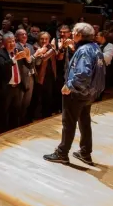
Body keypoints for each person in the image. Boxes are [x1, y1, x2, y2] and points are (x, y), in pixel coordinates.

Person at [44, 23, 106, 165]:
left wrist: (69, 86)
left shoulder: (84, 50)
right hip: (89, 93)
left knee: (69, 122)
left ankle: (62, 153)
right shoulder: (95, 48)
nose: (71, 34)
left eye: (74, 32)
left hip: (77, 92)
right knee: (84, 121)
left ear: (79, 34)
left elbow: (83, 73)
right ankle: (85, 152)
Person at [0, 33, 30, 133]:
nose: (12, 43)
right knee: (4, 112)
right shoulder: (0, 53)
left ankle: (14, 133)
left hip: (18, 87)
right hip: (6, 88)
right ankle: (2, 135)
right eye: (9, 42)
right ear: (3, 43)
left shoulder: (18, 51)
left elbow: (29, 65)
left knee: (16, 112)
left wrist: (28, 57)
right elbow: (3, 66)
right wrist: (14, 59)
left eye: (13, 41)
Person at [32, 32, 58, 118]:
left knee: (48, 97)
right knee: (39, 98)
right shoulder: (36, 47)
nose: (44, 41)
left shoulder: (50, 46)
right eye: (42, 39)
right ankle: (37, 117)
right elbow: (44, 58)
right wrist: (53, 49)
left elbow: (59, 55)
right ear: (38, 39)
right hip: (40, 76)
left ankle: (47, 116)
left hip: (50, 75)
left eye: (46, 39)